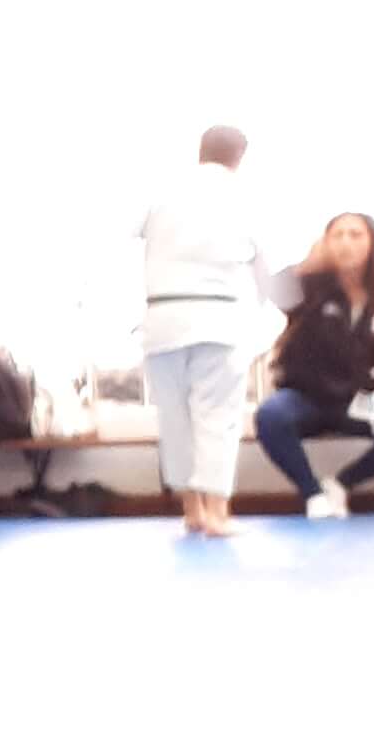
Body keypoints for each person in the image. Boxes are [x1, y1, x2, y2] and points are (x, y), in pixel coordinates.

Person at [140, 119, 275, 537]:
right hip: (218, 317)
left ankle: (192, 510)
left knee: (175, 420)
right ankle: (217, 513)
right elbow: (262, 265)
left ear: (201, 150)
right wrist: (268, 310)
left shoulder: (163, 193)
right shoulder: (243, 195)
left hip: (161, 316)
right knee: (217, 417)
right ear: (240, 157)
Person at [256, 209, 374, 516]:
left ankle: (340, 485)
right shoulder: (310, 286)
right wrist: (307, 265)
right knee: (271, 416)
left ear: (372, 243)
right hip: (305, 398)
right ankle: (313, 495)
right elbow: (270, 291)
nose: (345, 242)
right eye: (337, 235)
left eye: (355, 235)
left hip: (354, 401)